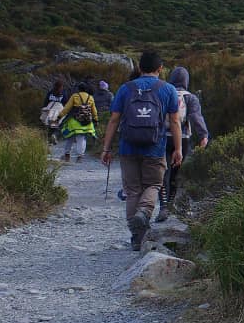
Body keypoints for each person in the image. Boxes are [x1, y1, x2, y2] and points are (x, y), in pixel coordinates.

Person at [97, 52, 183, 252]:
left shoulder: (125, 89)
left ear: (139, 68)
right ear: (160, 68)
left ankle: (136, 237)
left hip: (128, 147)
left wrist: (106, 148)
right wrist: (178, 149)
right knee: (153, 184)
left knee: (133, 189)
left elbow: (114, 120)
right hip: (155, 147)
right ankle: (144, 212)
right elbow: (175, 121)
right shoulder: (168, 89)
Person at [158, 66, 209, 217]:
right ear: (187, 80)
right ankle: (173, 203)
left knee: (163, 172)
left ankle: (163, 206)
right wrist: (203, 135)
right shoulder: (190, 97)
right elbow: (196, 117)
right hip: (183, 139)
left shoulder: (164, 94)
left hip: (163, 138)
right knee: (176, 173)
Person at [55, 81, 99, 164]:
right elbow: (94, 111)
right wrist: (96, 119)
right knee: (82, 138)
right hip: (87, 122)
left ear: (78, 89)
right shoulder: (90, 97)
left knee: (69, 137)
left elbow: (67, 108)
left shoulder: (75, 96)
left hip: (74, 121)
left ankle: (67, 155)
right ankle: (80, 157)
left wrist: (59, 116)